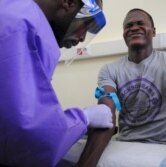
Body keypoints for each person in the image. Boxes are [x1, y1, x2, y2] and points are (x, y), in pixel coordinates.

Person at [78, 8, 166, 167]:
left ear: (154, 32)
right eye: (129, 26)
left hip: (162, 146)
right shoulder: (109, 70)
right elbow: (106, 112)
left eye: (140, 23)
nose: (134, 28)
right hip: (124, 144)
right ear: (124, 35)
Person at [0, 0, 113, 167]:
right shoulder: (24, 24)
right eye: (85, 24)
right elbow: (28, 137)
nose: (82, 37)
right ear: (68, 2)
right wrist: (84, 118)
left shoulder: (12, 9)